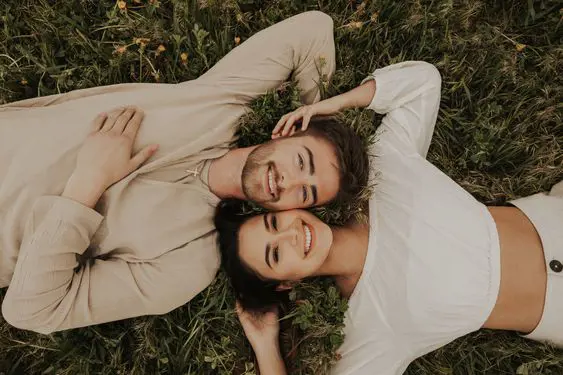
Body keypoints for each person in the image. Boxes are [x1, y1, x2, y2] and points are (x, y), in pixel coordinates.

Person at [0, 11, 369, 334]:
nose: (289, 181)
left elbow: (31, 310)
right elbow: (313, 31)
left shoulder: (190, 262)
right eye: (302, 161)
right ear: (287, 131)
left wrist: (87, 183)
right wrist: (314, 112)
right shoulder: (224, 102)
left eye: (306, 193)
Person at [215, 60, 563, 374]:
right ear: (286, 283)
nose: (289, 236)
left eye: (274, 223)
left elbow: (423, 83)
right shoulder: (370, 329)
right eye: (275, 255)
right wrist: (265, 344)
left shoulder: (383, 170)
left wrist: (328, 107)